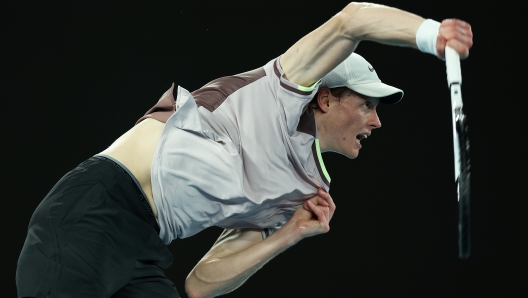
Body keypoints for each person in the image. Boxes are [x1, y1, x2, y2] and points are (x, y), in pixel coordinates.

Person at [16, 2, 473, 298]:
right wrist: (429, 33)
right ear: (326, 97)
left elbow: (200, 282)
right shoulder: (281, 88)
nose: (376, 121)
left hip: (146, 249)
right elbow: (351, 20)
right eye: (367, 104)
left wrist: (288, 234)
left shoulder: (298, 193)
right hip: (95, 209)